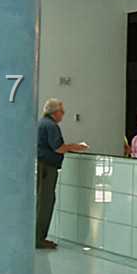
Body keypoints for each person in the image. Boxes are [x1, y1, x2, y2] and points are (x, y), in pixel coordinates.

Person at [36, 98, 87, 250]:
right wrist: (76, 147)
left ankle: (37, 236)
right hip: (47, 168)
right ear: (55, 112)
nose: (63, 114)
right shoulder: (51, 126)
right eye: (62, 111)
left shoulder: (41, 123)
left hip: (41, 165)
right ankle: (39, 238)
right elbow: (58, 147)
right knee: (46, 202)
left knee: (41, 201)